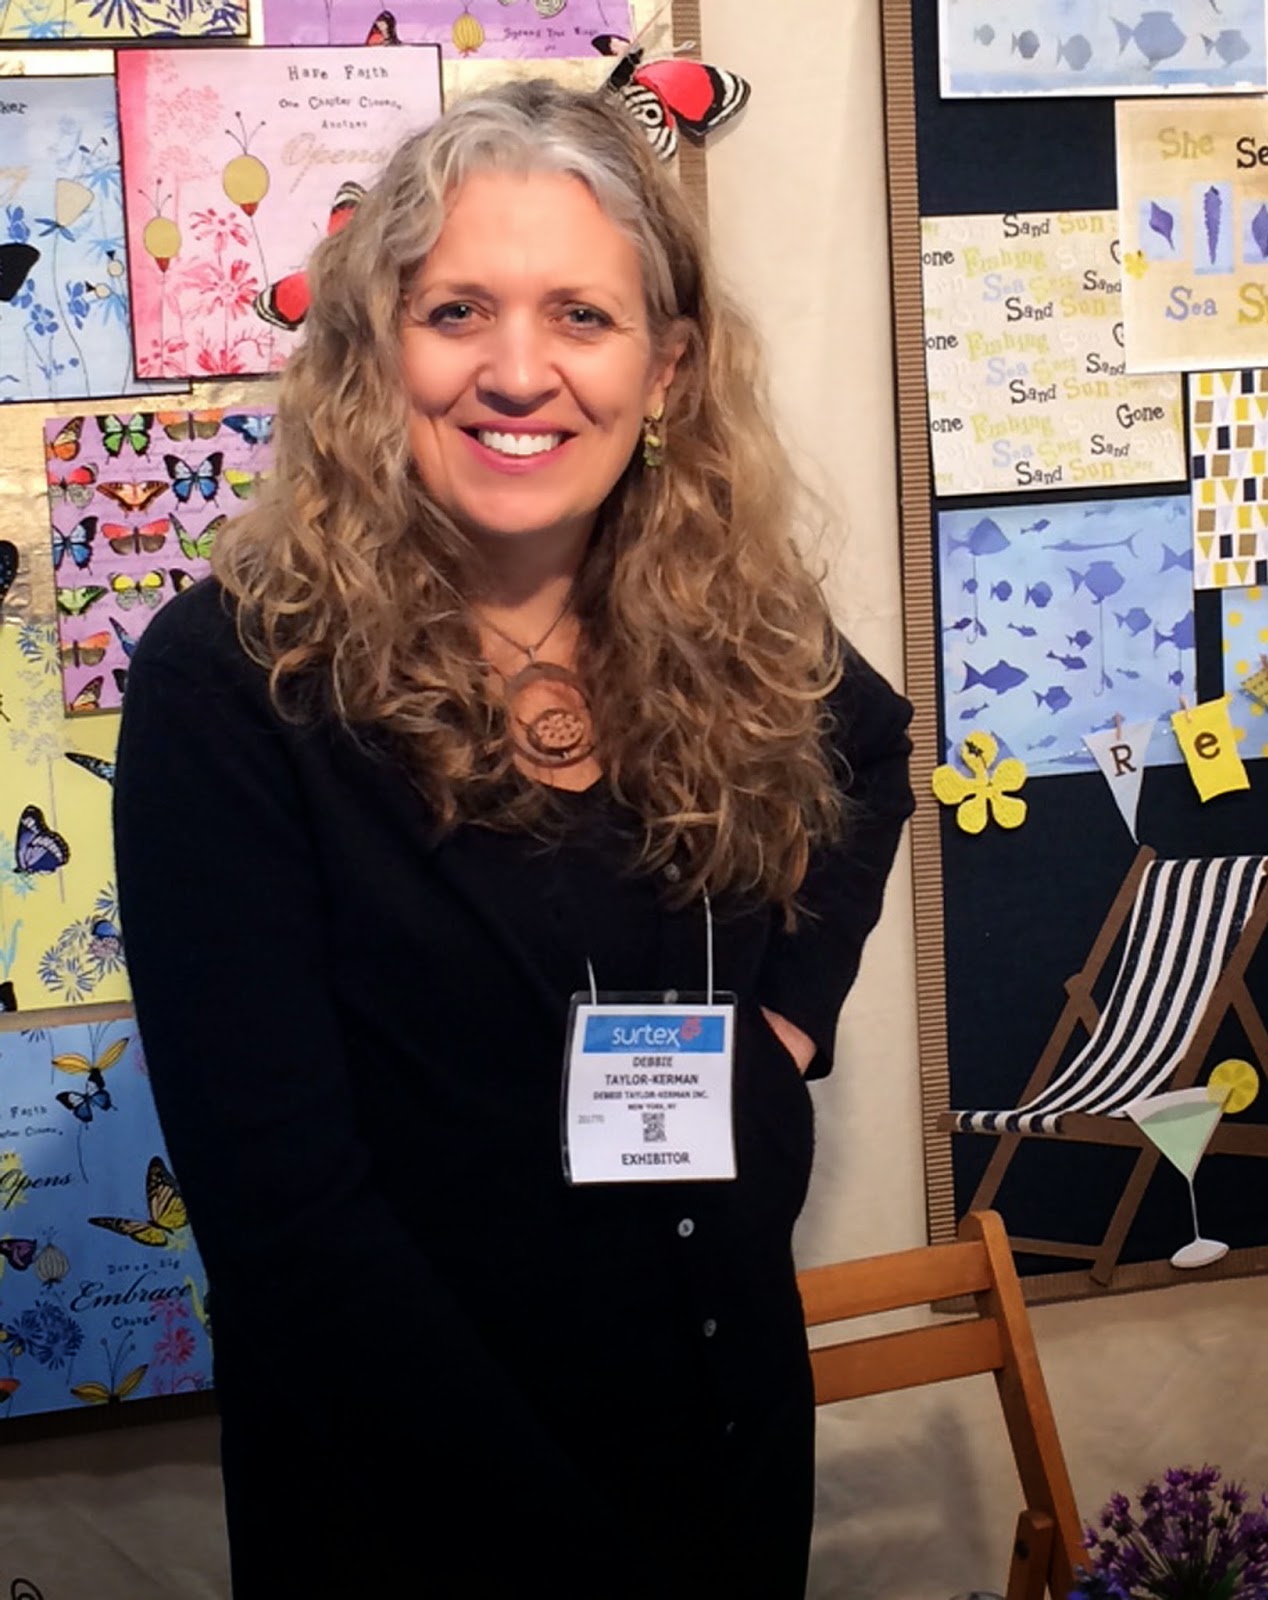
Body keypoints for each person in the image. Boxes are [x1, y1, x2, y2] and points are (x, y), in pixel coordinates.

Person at [113, 79, 914, 1599]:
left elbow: (872, 757)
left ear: (667, 369)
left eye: (583, 318)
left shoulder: (726, 624)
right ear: (377, 351)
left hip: (721, 1421)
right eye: (458, 311)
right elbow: (290, 1226)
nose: (520, 371)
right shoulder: (237, 680)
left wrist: (790, 1021)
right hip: (416, 1495)